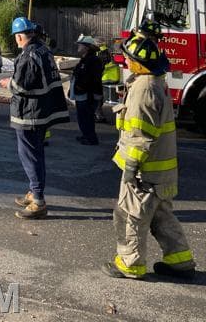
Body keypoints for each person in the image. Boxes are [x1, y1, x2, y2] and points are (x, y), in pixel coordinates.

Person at [102, 34, 196, 280]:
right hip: (160, 170)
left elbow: (140, 134)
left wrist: (132, 168)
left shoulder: (144, 89)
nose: (126, 61)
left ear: (139, 63)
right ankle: (180, 260)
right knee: (161, 216)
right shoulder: (153, 82)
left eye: (130, 58)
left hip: (146, 171)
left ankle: (130, 264)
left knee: (131, 216)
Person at [0, 17, 69, 219]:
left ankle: (38, 200)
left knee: (30, 156)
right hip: (41, 112)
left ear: (20, 36)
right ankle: (34, 191)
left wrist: (8, 83)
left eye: (16, 37)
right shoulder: (43, 50)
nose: (16, 41)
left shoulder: (29, 56)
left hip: (30, 114)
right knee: (35, 153)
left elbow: (23, 85)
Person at [71, 34, 104, 145]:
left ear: (87, 47)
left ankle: (91, 138)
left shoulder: (93, 60)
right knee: (82, 117)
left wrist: (82, 87)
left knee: (87, 117)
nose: (78, 46)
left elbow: (92, 78)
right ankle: (86, 135)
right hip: (82, 93)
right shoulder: (85, 60)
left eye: (80, 45)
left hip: (87, 95)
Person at [96, 43, 119, 122]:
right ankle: (98, 114)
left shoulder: (101, 53)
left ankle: (98, 115)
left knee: (97, 96)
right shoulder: (105, 52)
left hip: (106, 78)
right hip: (110, 77)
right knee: (98, 96)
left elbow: (100, 67)